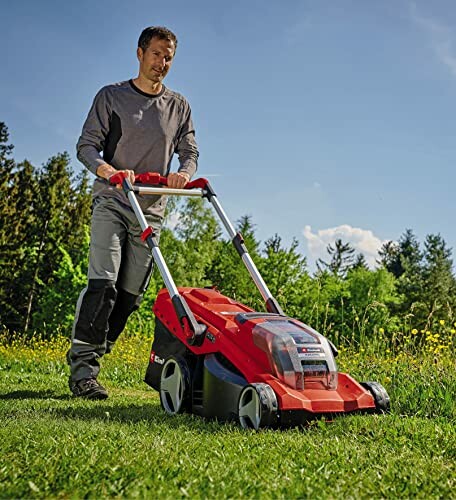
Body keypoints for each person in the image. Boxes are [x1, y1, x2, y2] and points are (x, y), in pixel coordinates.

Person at [67, 26, 199, 399]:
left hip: (151, 210)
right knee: (103, 283)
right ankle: (83, 369)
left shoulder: (178, 106)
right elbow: (87, 146)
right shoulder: (111, 97)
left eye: (169, 56)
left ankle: (93, 348)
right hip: (113, 200)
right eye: (156, 54)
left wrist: (183, 174)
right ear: (140, 53)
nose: (162, 63)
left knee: (129, 295)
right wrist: (108, 171)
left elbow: (189, 150)